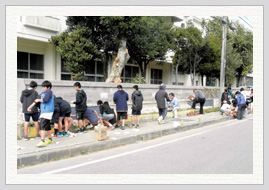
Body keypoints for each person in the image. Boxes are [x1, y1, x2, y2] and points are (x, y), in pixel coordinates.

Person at [28, 80, 54, 148]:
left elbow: (45, 100)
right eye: (43, 87)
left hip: (47, 111)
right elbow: (36, 100)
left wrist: (39, 100)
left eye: (45, 87)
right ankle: (50, 139)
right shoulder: (43, 93)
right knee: (47, 125)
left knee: (42, 125)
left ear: (48, 87)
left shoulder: (49, 92)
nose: (43, 88)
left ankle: (42, 141)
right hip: (44, 111)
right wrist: (30, 107)